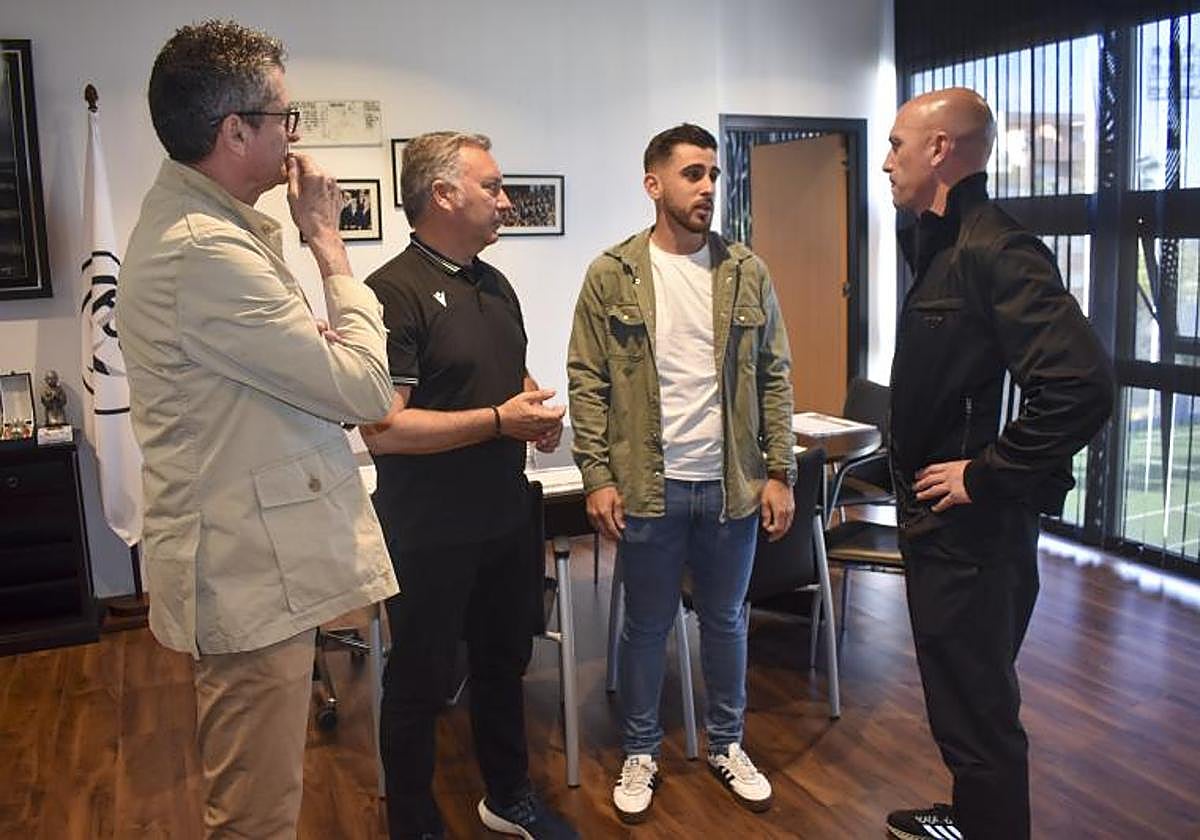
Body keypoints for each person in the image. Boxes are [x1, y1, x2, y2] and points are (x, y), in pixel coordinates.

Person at [116, 20, 399, 839]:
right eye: (286, 117)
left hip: (251, 556)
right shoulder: (204, 249)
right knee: (255, 816)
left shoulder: (209, 230)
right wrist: (328, 242)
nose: (295, 136)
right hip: (247, 570)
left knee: (261, 802)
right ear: (235, 131)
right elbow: (365, 386)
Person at [882, 88, 1115, 840]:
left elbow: (1080, 386)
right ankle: (968, 818)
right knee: (963, 707)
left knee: (981, 720)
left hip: (972, 539)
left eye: (897, 145)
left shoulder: (995, 248)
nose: (887, 162)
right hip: (940, 532)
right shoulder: (939, 242)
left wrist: (982, 473)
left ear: (940, 151)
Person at [567, 123, 797, 825]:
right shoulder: (613, 273)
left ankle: (728, 742)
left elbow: (775, 376)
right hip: (649, 487)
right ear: (654, 184)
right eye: (692, 174)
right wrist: (598, 475)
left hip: (731, 486)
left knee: (727, 622)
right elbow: (588, 380)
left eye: (713, 176)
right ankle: (641, 749)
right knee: (646, 625)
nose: (707, 188)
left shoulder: (746, 271)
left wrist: (779, 471)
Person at [360, 131, 577, 840]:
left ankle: (507, 796)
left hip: (506, 515)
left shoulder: (494, 283)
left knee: (502, 663)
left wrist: (531, 413)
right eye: (493, 187)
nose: (506, 201)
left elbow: (504, 375)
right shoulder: (389, 292)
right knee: (420, 683)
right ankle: (415, 824)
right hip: (429, 528)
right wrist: (495, 420)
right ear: (444, 195)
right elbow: (383, 428)